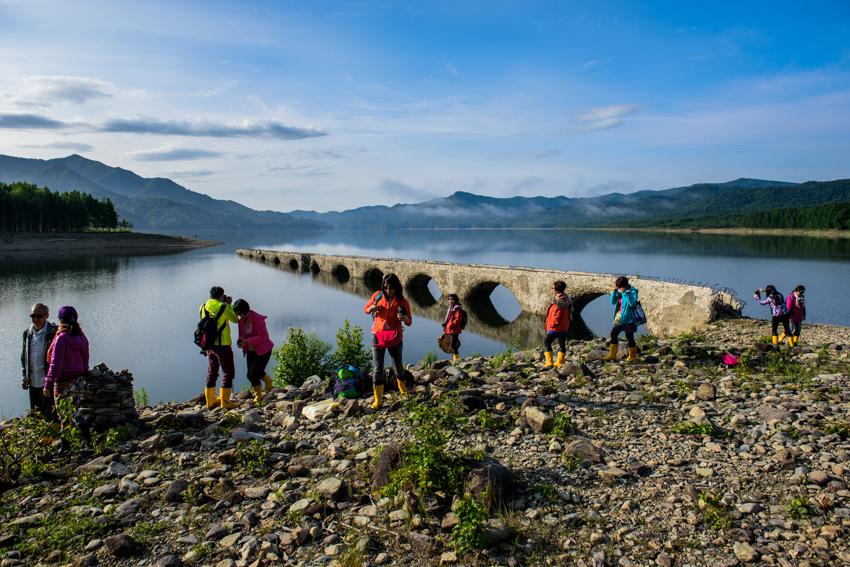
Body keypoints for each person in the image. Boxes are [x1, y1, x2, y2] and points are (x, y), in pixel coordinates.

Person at [44, 306, 92, 444]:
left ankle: (66, 445)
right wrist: (84, 372)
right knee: (75, 411)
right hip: (78, 380)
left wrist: (48, 383)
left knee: (64, 414)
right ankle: (87, 439)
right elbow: (85, 358)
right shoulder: (81, 336)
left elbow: (56, 364)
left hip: (63, 382)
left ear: (60, 320)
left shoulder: (61, 339)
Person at [364, 273, 412, 409]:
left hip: (395, 337)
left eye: (391, 288)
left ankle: (403, 391)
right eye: (385, 287)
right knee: (377, 368)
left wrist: (404, 319)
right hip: (377, 335)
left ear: (397, 287)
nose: (388, 290)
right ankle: (378, 400)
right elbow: (366, 309)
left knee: (398, 368)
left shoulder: (403, 302)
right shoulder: (377, 296)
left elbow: (409, 322)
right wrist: (371, 309)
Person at [200, 286, 240, 409]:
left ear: (210, 296)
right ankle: (225, 402)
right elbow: (235, 319)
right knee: (228, 373)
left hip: (209, 345)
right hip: (223, 344)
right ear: (222, 296)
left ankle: (210, 400)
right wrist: (228, 305)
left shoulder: (203, 306)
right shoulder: (222, 307)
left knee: (212, 372)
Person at [21, 303, 59, 420]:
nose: (35, 319)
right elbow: (24, 357)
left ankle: (53, 437)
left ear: (47, 316)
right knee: (37, 414)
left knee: (51, 414)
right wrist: (24, 377)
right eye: (33, 316)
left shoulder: (54, 332)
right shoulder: (27, 334)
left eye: (39, 316)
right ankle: (40, 436)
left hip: (48, 382)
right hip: (33, 382)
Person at [234, 299, 275, 402]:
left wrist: (246, 341)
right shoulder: (241, 321)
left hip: (263, 350)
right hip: (250, 351)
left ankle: (268, 380)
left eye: (240, 313)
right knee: (249, 374)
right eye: (237, 314)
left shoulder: (258, 319)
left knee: (255, 372)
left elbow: (262, 336)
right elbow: (241, 334)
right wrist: (240, 341)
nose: (239, 315)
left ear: (245, 310)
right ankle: (259, 395)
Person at [603, 276, 639, 362]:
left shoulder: (633, 291)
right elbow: (613, 301)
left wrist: (624, 294)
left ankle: (632, 356)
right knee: (613, 334)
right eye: (618, 287)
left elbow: (632, 303)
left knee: (629, 337)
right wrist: (614, 291)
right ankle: (612, 355)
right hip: (619, 317)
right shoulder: (619, 291)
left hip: (628, 318)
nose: (619, 289)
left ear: (626, 285)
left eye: (620, 287)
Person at [543, 281, 572, 367]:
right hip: (564, 326)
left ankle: (549, 362)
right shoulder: (565, 297)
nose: (552, 289)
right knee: (562, 343)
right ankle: (559, 363)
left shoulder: (559, 301)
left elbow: (556, 316)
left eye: (553, 288)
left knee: (547, 342)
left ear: (557, 290)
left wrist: (551, 325)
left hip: (556, 327)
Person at [443, 294, 463, 362]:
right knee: (452, 344)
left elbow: (458, 319)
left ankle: (457, 360)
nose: (450, 301)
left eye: (452, 299)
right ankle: (456, 359)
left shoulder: (457, 308)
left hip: (454, 329)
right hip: (451, 329)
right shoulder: (451, 307)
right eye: (449, 299)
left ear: (455, 300)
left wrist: (452, 324)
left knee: (453, 344)